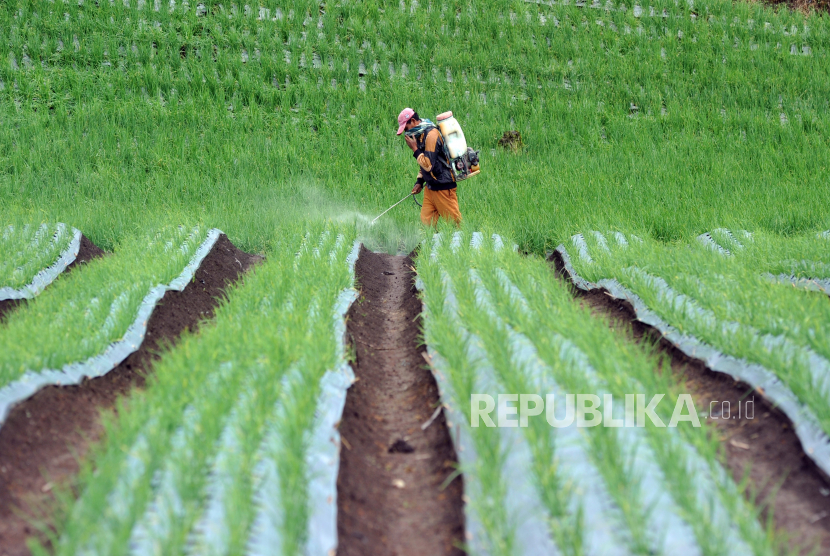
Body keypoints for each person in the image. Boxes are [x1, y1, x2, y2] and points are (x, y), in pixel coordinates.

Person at [396, 107, 462, 226]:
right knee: (426, 225)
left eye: (406, 128)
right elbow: (424, 164)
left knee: (454, 225)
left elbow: (428, 165)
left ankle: (464, 244)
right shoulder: (420, 135)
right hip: (430, 188)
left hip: (443, 187)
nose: (406, 132)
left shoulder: (431, 135)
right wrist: (419, 182)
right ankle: (429, 244)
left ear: (413, 121)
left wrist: (415, 149)